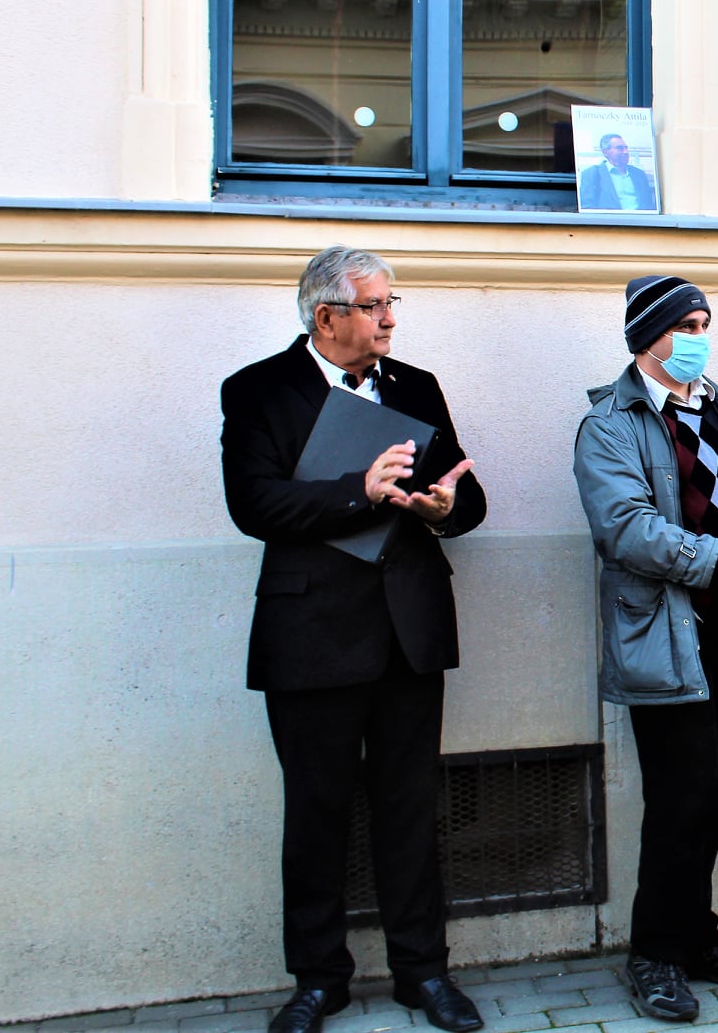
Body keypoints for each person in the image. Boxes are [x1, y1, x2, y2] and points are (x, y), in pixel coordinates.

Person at [221, 246, 488, 1033]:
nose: (390, 319)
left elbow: (466, 496)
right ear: (326, 316)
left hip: (408, 629)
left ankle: (423, 972)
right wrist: (356, 493)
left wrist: (445, 508)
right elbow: (253, 504)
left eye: (391, 303)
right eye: (375, 306)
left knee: (411, 808)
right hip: (310, 633)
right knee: (316, 812)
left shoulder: (416, 386)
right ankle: (318, 980)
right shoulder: (258, 388)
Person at [571, 275, 718, 1022]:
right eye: (686, 324)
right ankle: (655, 955)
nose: (700, 336)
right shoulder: (611, 424)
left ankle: (695, 935)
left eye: (705, 322)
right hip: (667, 635)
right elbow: (627, 527)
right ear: (647, 336)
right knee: (681, 798)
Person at [577, 132, 659, 212]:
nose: (625, 152)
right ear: (605, 152)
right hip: (610, 220)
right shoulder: (593, 173)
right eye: (620, 148)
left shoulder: (639, 174)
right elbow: (587, 207)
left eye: (626, 148)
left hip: (640, 219)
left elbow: (649, 205)